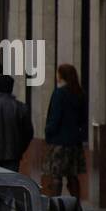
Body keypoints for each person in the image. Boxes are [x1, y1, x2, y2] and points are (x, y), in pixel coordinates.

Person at [43, 63, 88, 199]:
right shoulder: (79, 93)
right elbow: (82, 118)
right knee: (72, 175)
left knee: (56, 175)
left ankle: (55, 203)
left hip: (59, 141)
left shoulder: (59, 93)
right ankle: (76, 204)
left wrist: (49, 132)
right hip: (74, 141)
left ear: (61, 76)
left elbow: (55, 116)